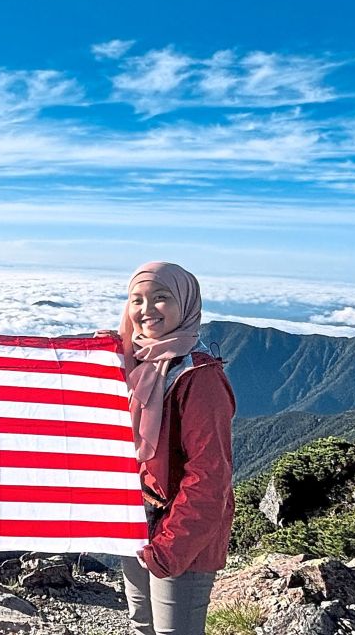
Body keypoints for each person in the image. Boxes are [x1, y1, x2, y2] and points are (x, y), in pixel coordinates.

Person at [115, 261, 235, 635]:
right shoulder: (136, 365)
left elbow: (209, 477)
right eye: (137, 300)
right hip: (137, 523)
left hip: (183, 534)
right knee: (142, 626)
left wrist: (170, 547)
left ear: (185, 304)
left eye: (161, 298)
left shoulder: (200, 379)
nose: (146, 310)